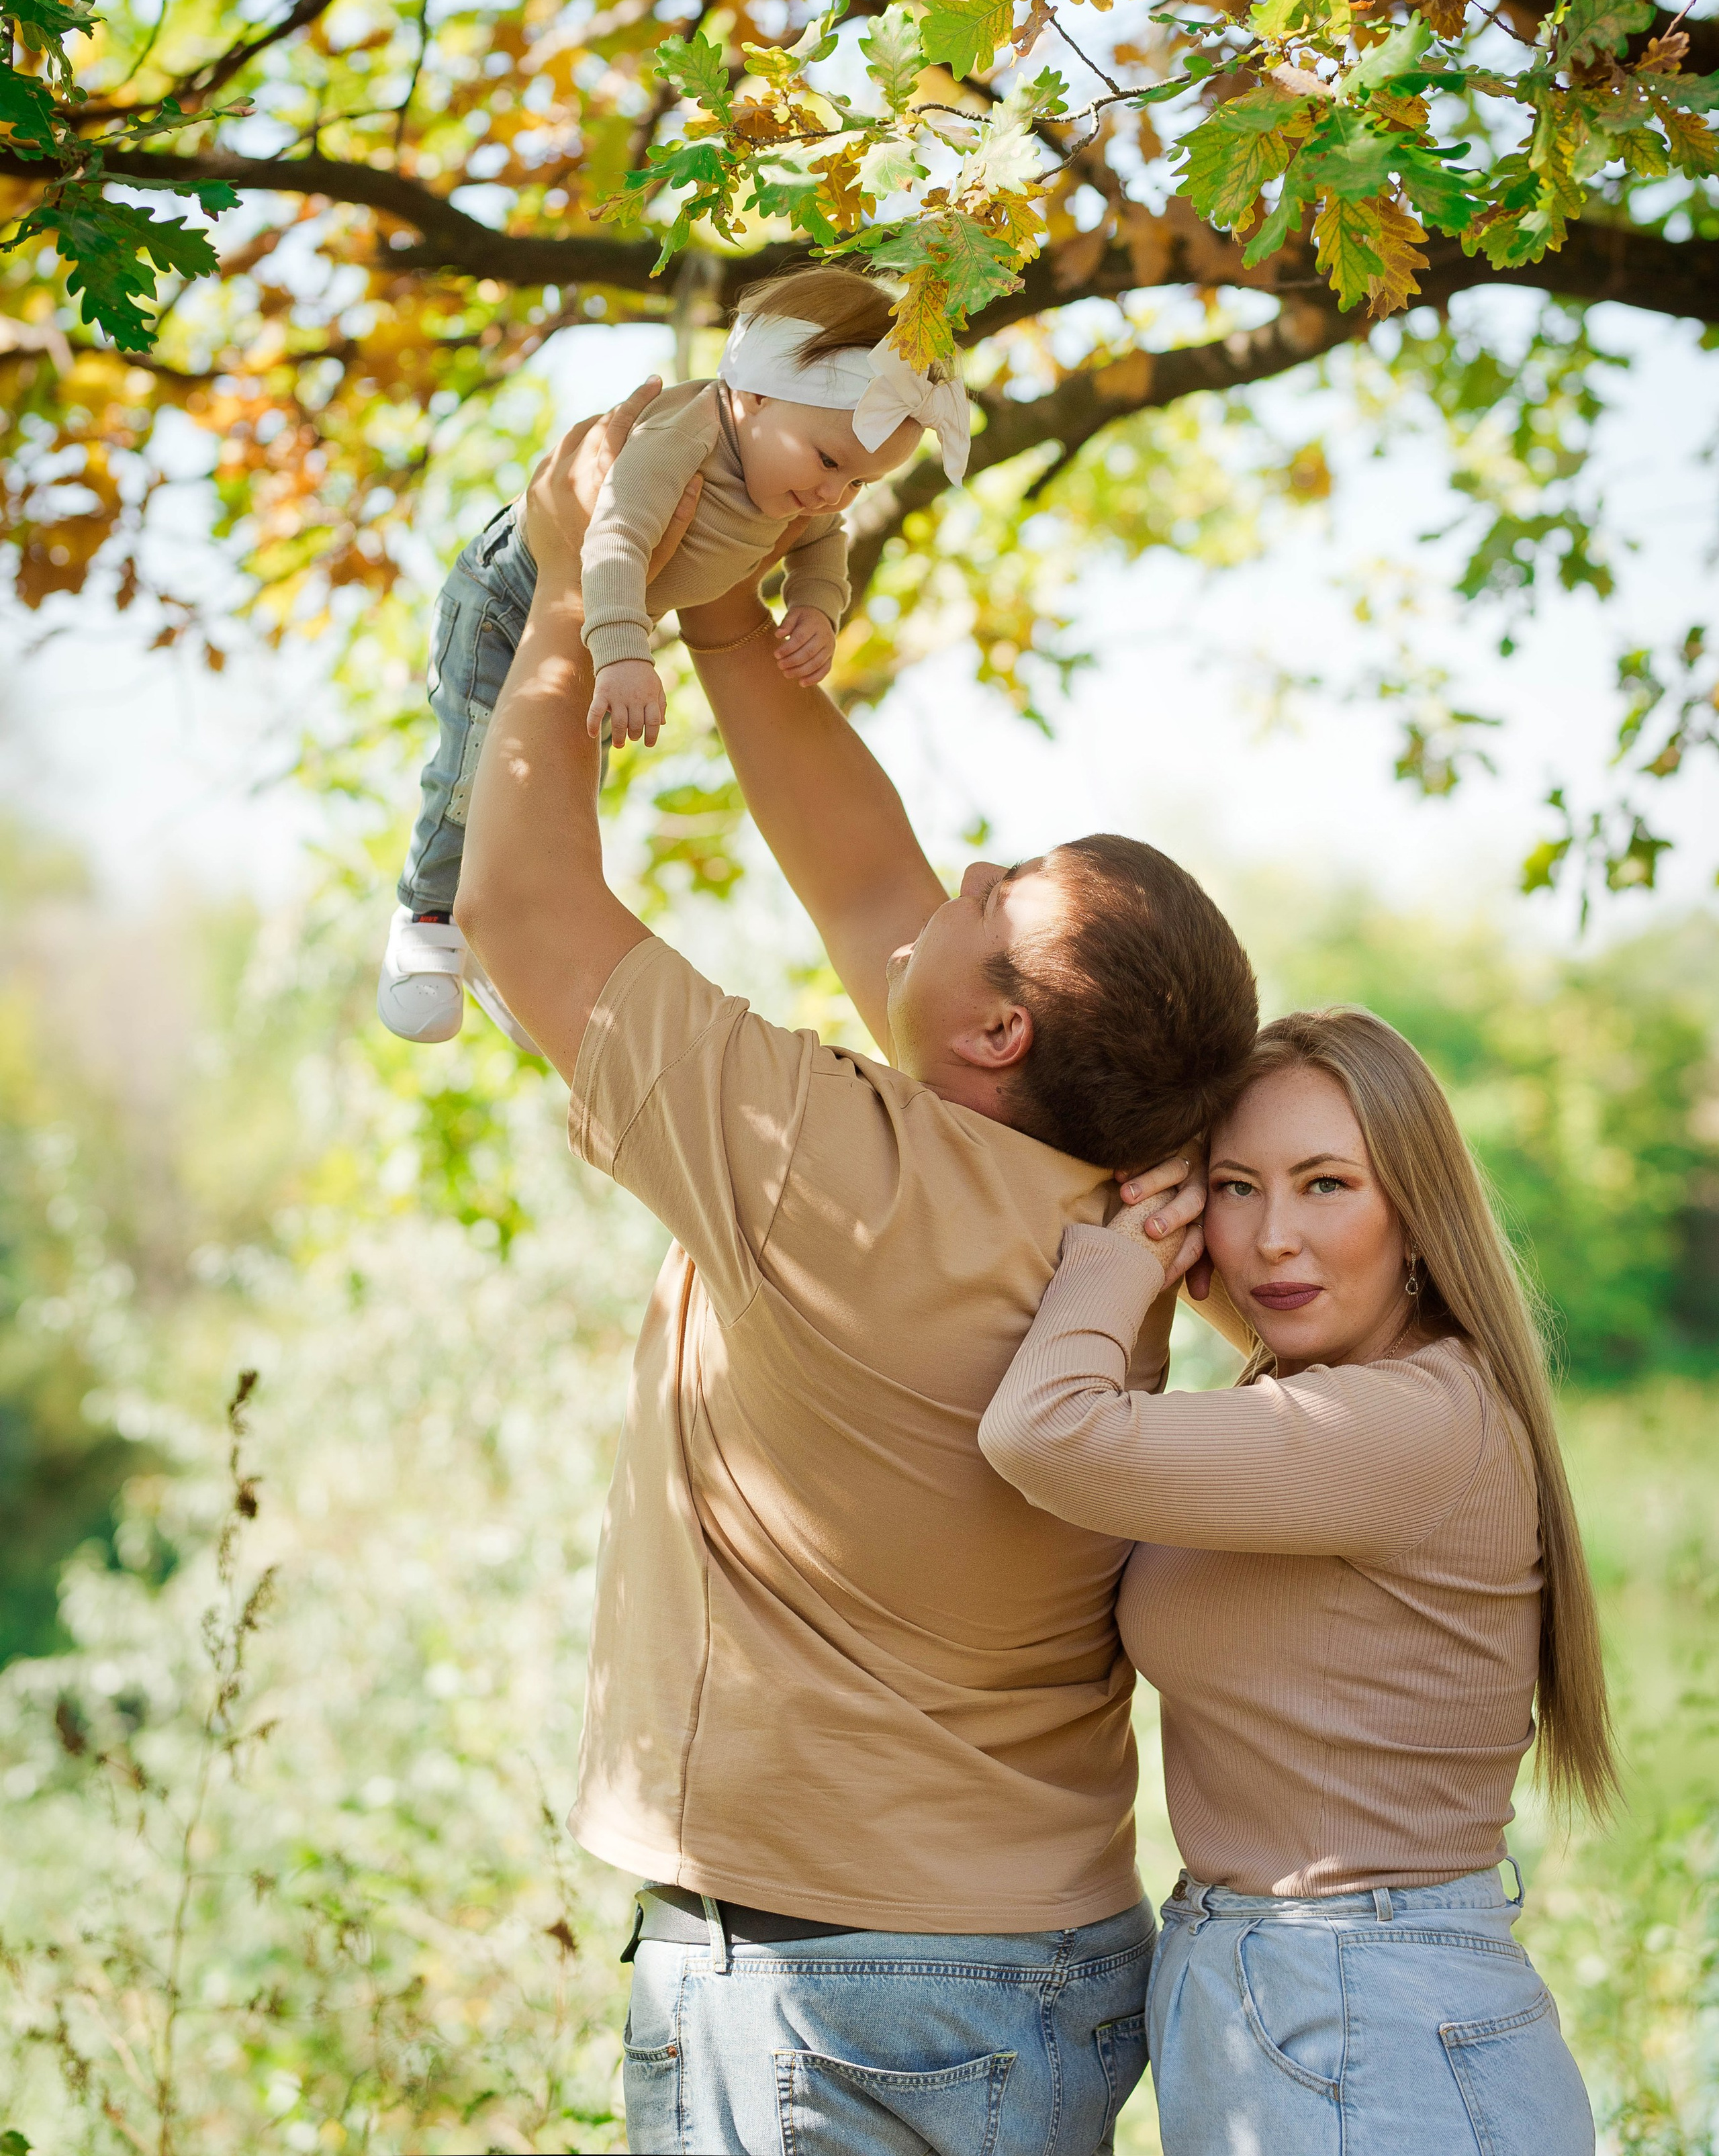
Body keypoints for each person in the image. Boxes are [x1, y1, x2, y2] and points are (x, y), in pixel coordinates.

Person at [451, 379, 1260, 2156]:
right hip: (1049, 1954)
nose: (956, 869)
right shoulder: (1111, 1190)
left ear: (997, 1031)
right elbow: (873, 876)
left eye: (997, 890)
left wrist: (566, 588)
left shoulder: (833, 1176)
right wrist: (719, 590)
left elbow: (519, 912)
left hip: (828, 1991)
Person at [980, 1006, 1617, 2156]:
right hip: (1303, 2000)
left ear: (1415, 1210)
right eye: (1237, 1187)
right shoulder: (1340, 1400)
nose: (1275, 1238)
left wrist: (1123, 1251)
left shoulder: (1406, 1424)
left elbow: (1043, 1431)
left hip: (1371, 2011)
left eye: (1328, 1183)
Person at [377, 265, 964, 1047]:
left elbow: (824, 545)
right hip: (509, 598)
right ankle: (424, 917)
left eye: (860, 481)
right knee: (475, 762)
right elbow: (612, 535)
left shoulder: (801, 485)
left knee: (566, 781)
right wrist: (625, 653)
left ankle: (501, 942)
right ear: (755, 396)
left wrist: (815, 607)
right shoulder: (685, 440)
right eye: (829, 463)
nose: (834, 494)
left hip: (609, 620)